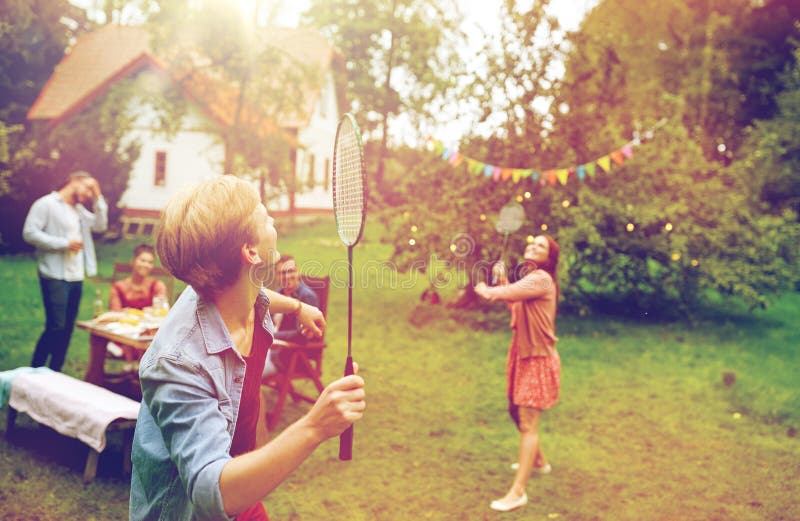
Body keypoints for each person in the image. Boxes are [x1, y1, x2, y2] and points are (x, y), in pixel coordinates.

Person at [130, 176, 366, 521]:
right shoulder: (178, 364)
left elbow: (261, 295)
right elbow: (212, 492)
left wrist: (299, 308)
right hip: (199, 507)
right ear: (250, 252)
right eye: (261, 211)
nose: (269, 213)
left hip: (242, 489)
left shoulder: (233, 293)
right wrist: (315, 426)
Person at [474, 235, 561, 513]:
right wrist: (502, 282)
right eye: (532, 243)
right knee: (516, 411)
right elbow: (514, 303)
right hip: (521, 353)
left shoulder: (542, 279)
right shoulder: (530, 280)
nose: (533, 247)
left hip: (537, 359)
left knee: (527, 422)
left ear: (548, 258)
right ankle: (539, 461)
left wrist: (487, 288)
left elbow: (501, 295)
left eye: (541, 246)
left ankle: (518, 492)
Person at [22, 170, 107, 371]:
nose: (88, 195)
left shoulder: (78, 210)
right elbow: (29, 232)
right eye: (87, 188)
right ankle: (34, 371)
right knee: (56, 327)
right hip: (54, 274)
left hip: (75, 276)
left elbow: (100, 226)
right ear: (74, 181)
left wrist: (98, 196)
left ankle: (55, 373)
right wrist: (64, 243)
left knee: (67, 330)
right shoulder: (46, 204)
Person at [261, 254, 320, 377]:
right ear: (276, 276)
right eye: (282, 273)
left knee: (248, 374)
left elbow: (301, 335)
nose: (287, 276)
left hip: (290, 356)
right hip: (268, 350)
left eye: (291, 271)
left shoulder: (307, 297)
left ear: (298, 271)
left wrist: (269, 336)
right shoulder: (278, 295)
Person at [108, 243, 168, 311]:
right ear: (133, 261)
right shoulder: (118, 288)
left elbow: (161, 311)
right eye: (142, 260)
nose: (146, 265)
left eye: (150, 262)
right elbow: (115, 313)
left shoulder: (158, 286)